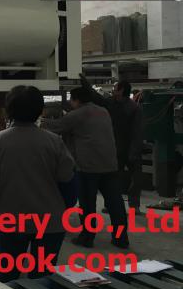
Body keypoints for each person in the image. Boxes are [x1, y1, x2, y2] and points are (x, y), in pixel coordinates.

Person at [0, 85, 77, 289]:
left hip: (12, 220)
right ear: (39, 111)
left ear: (8, 110)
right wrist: (62, 208)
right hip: (50, 222)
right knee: (42, 274)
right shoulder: (54, 142)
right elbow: (68, 184)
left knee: (7, 271)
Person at [42, 87, 129, 249]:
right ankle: (121, 239)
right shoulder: (103, 111)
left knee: (87, 204)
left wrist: (40, 120)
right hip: (110, 164)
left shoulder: (78, 114)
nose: (70, 103)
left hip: (88, 167)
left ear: (76, 100)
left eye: (71, 100)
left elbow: (56, 127)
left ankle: (87, 238)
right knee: (115, 203)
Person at [80, 75, 144, 212]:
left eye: (115, 88)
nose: (113, 90)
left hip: (130, 146)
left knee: (136, 178)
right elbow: (97, 98)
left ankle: (134, 205)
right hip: (116, 147)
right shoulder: (112, 102)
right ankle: (111, 205)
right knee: (113, 179)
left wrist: (134, 151)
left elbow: (137, 131)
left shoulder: (133, 108)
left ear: (121, 91)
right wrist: (86, 84)